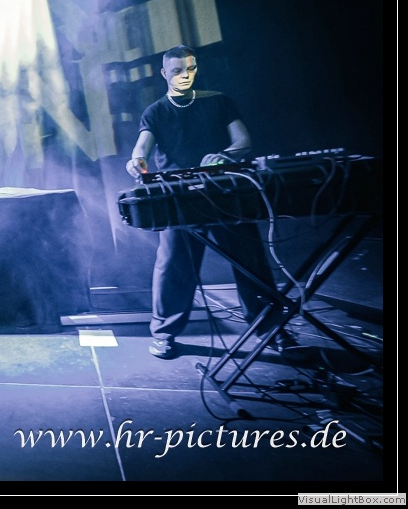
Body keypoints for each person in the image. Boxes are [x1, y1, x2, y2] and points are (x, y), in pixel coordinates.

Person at [126, 44, 298, 360]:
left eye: (190, 68)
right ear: (164, 73)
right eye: (177, 70)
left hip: (225, 191)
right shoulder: (156, 111)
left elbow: (242, 141)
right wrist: (136, 161)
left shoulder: (218, 100)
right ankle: (164, 334)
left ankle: (272, 330)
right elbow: (141, 147)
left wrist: (223, 156)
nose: (185, 75)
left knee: (250, 261)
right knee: (174, 264)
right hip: (179, 197)